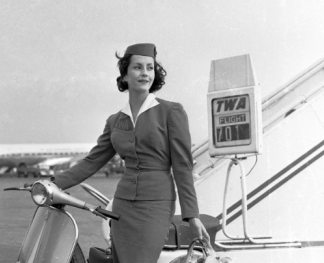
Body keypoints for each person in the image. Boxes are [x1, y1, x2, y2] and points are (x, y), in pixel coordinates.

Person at [53, 43, 215, 263]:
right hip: (122, 207)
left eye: (150, 68)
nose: (145, 73)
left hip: (156, 205)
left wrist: (192, 216)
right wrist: (53, 183)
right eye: (138, 67)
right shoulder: (115, 120)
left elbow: (182, 167)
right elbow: (92, 161)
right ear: (125, 74)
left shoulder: (171, 112)